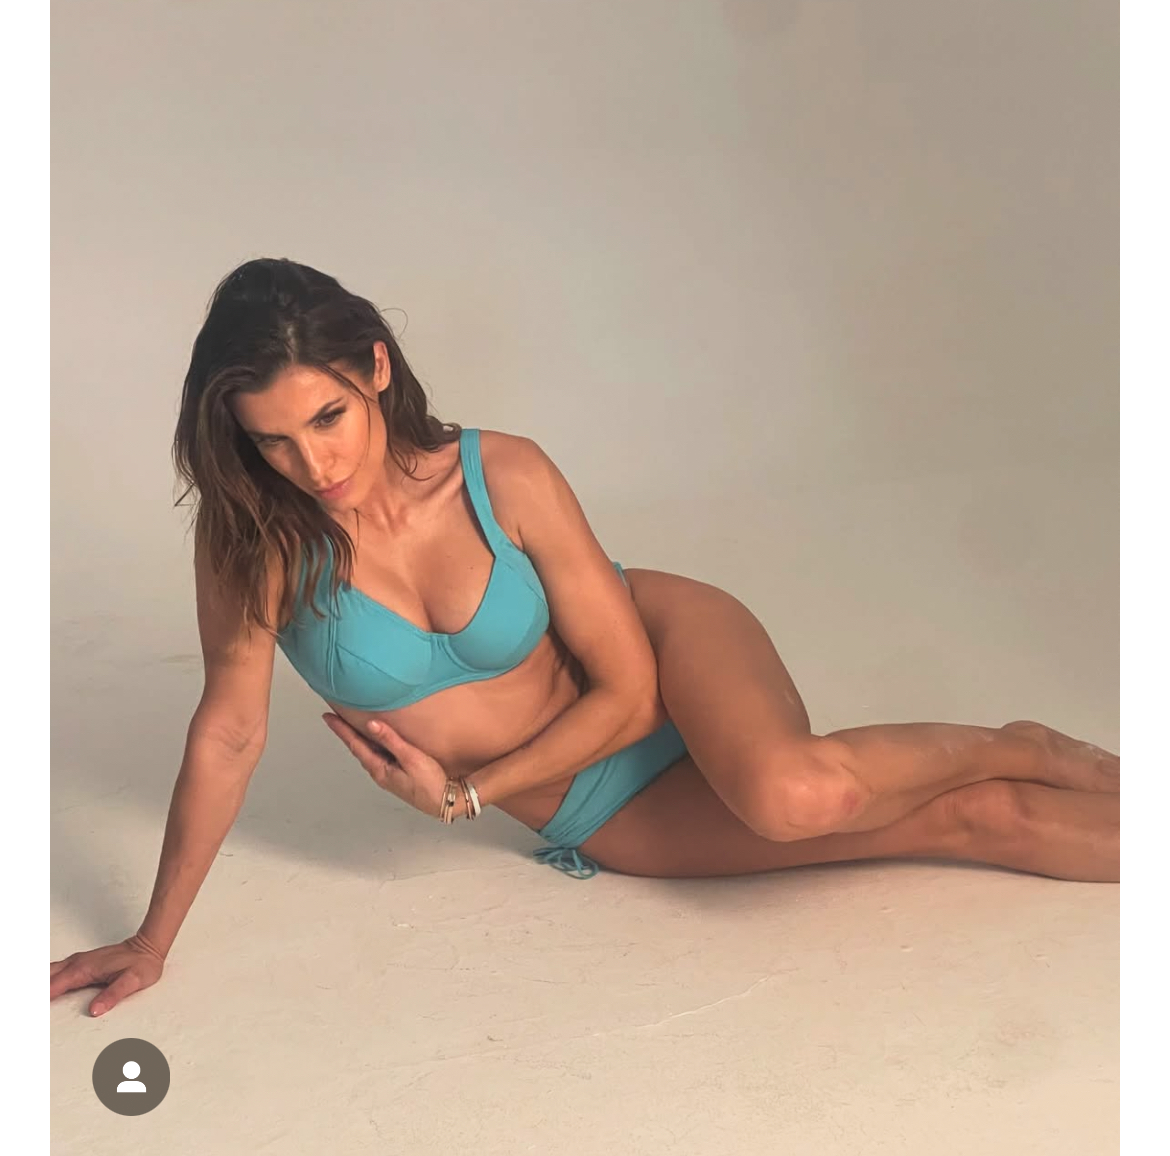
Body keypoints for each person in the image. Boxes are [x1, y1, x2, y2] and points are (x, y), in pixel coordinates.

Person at [50, 257, 1119, 1019]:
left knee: (796, 792)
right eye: (273, 442)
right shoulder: (255, 546)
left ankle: (1018, 740)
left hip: (661, 652)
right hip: (598, 806)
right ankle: (1019, 780)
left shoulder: (502, 471)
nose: (313, 464)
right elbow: (229, 736)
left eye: (327, 418)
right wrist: (152, 938)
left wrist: (466, 796)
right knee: (978, 823)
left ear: (374, 369)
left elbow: (632, 692)